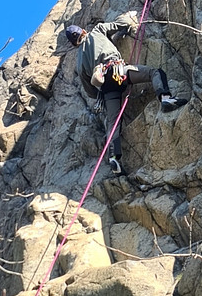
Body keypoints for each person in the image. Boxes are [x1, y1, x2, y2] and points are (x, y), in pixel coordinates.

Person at [64, 13, 186, 176]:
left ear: (74, 44)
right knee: (154, 72)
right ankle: (165, 98)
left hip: (106, 88)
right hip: (118, 71)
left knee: (113, 122)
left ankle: (113, 157)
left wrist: (100, 91)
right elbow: (121, 23)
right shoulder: (97, 30)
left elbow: (91, 92)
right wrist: (126, 27)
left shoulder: (79, 63)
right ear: (84, 31)